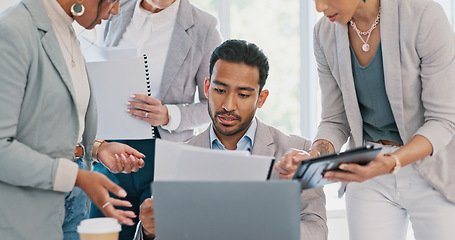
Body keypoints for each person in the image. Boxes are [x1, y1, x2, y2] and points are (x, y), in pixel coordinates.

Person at [275, 0, 455, 239]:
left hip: (432, 168)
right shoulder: (324, 33)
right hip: (368, 170)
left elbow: (443, 120)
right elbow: (335, 120)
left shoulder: (423, 15)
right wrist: (312, 156)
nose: (319, 7)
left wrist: (393, 162)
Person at [133, 39, 328, 240]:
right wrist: (148, 232)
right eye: (219, 90)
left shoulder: (298, 150)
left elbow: (317, 230)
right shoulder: (177, 157)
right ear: (207, 87)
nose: (228, 105)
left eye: (243, 95)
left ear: (261, 98)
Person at [0, 0, 147, 239]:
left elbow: (48, 121)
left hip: (74, 202)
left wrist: (99, 148)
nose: (117, 10)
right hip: (30, 204)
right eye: (114, 0)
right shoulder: (12, 31)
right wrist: (77, 177)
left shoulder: (66, 30)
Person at [88, 0, 223, 238]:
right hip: (111, 154)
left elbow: (213, 104)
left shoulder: (204, 26)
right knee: (101, 233)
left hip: (163, 157)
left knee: (154, 233)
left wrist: (169, 114)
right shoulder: (116, 10)